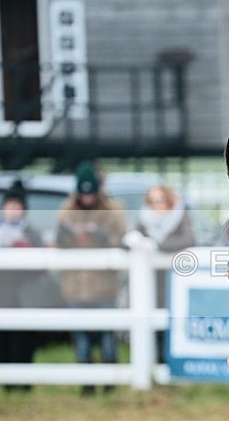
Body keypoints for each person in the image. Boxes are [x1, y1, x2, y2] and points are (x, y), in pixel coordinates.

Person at [55, 161, 126, 396]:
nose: (86, 197)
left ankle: (109, 382)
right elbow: (59, 244)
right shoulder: (66, 211)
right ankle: (87, 384)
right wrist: (64, 236)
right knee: (81, 337)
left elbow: (122, 242)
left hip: (103, 286)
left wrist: (103, 237)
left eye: (91, 192)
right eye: (83, 193)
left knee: (107, 335)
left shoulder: (113, 211)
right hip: (75, 286)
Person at [0, 180, 44, 390]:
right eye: (9, 205)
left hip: (24, 295)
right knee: (1, 340)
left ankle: (23, 384)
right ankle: (7, 383)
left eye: (17, 206)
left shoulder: (32, 233)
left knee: (23, 342)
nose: (12, 211)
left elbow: (41, 265)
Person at [123, 184, 195, 362]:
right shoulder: (145, 218)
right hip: (152, 283)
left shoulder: (180, 216)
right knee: (152, 322)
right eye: (152, 201)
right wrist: (132, 240)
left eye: (160, 200)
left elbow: (188, 239)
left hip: (175, 279)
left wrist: (157, 246)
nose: (156, 205)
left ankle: (169, 363)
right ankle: (155, 361)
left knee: (172, 321)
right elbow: (130, 239)